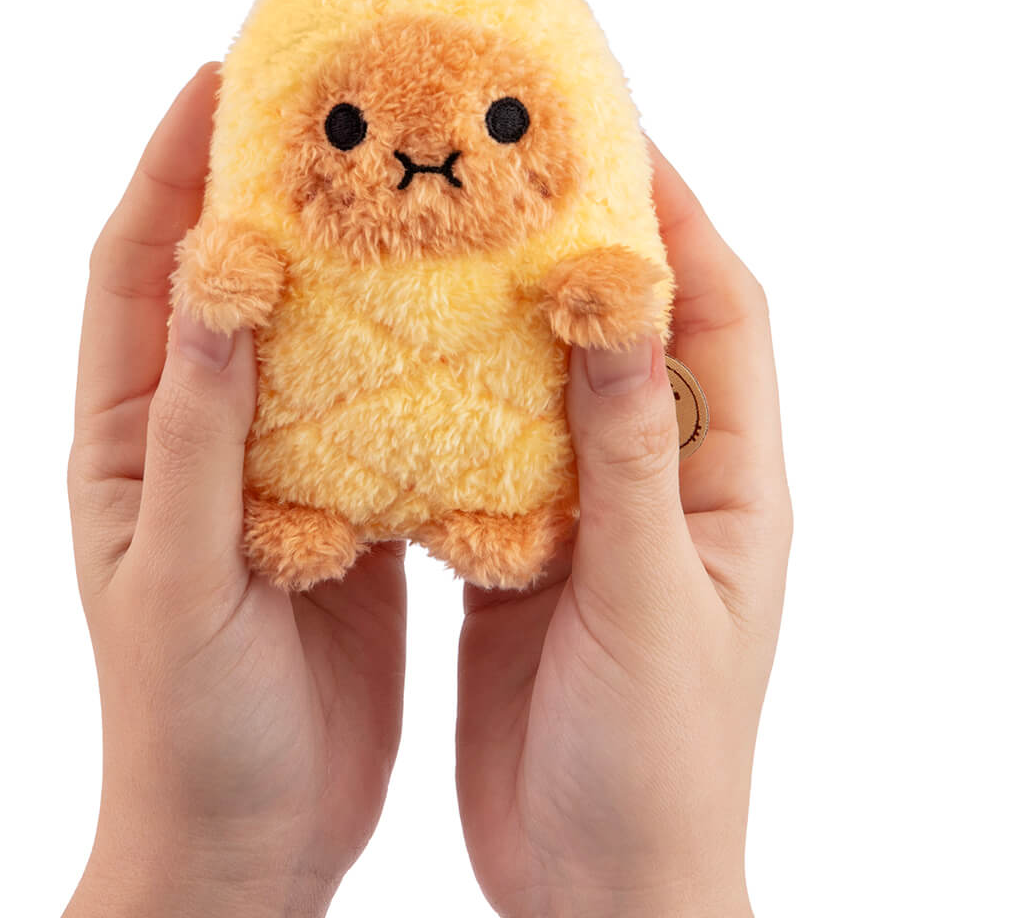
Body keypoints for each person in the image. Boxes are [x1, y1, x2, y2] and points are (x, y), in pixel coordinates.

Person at [63, 64, 792, 917]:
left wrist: (209, 868)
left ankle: (495, 522)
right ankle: (307, 516)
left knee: (511, 510)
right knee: (291, 505)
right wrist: (643, 889)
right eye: (346, 127)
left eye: (505, 121)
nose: (423, 155)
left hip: (503, 469)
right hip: (311, 460)